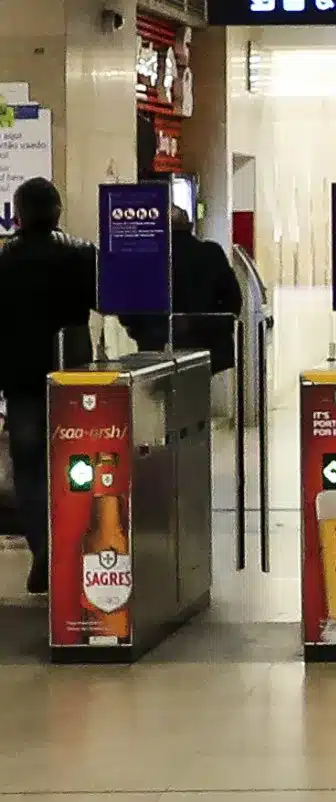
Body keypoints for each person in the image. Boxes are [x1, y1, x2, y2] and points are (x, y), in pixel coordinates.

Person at [0, 178, 97, 595]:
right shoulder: (81, 254)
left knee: (30, 470)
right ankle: (76, 546)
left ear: (19, 214)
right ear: (58, 210)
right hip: (72, 378)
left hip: (21, 382)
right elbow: (106, 299)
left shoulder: (4, 261)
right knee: (78, 465)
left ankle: (43, 547)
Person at [122, 207, 243, 375]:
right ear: (189, 226)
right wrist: (217, 327)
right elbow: (233, 300)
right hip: (208, 348)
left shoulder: (145, 258)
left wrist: (141, 331)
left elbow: (128, 307)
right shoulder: (211, 253)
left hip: (157, 349)